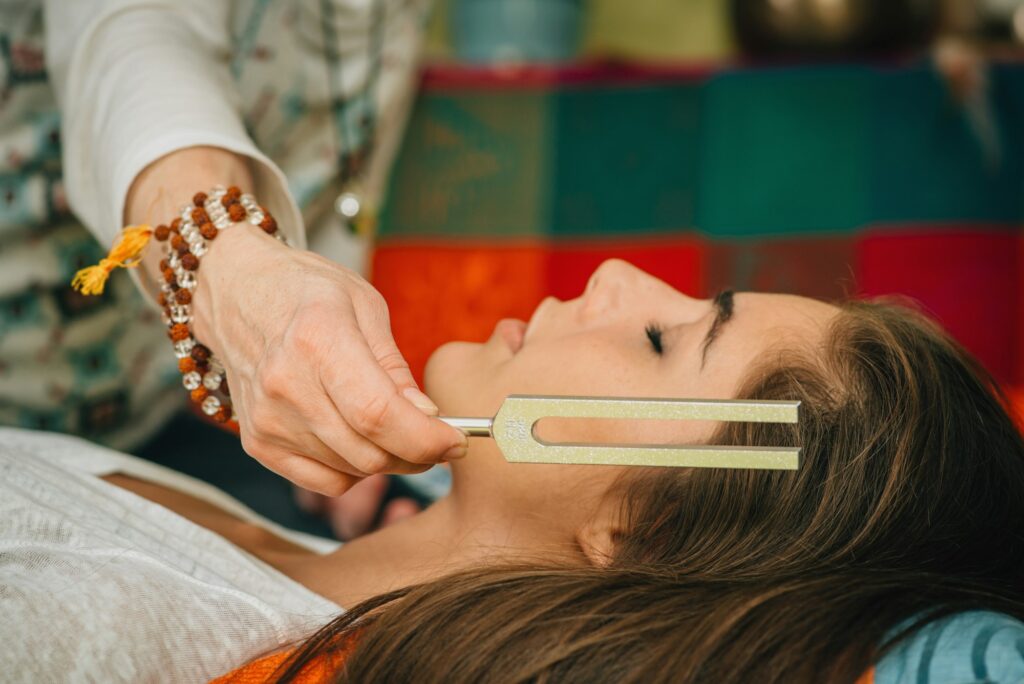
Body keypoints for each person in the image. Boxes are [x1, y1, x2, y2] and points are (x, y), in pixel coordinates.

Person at [2, 260, 1023, 682]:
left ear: (640, 535)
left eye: (666, 343)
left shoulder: (106, 631)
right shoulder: (293, 544)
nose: (618, 276)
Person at [1, 1, 461, 534]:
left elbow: (340, 164)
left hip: (154, 424)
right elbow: (134, 39)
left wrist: (314, 411)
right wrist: (228, 266)